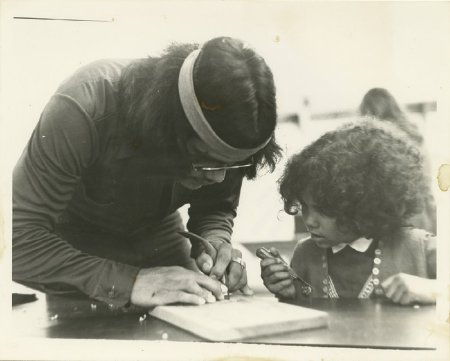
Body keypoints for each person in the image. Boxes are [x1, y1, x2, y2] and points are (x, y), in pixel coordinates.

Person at [13, 36, 281, 308]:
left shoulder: (229, 129)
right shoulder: (84, 105)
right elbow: (16, 240)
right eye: (204, 159)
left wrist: (215, 240)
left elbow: (216, 205)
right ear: (167, 128)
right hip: (80, 247)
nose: (217, 178)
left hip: (159, 235)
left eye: (232, 165)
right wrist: (129, 282)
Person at [260, 119, 437, 305]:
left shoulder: (420, 247)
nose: (309, 221)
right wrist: (290, 294)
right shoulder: (305, 254)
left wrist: (434, 291)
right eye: (304, 206)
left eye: (323, 209)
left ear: (361, 205)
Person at [359, 87, 436, 234]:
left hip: (392, 220)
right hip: (421, 216)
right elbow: (427, 187)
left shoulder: (374, 139)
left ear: (368, 111)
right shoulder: (416, 136)